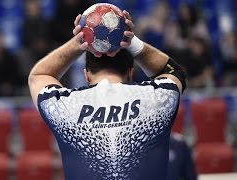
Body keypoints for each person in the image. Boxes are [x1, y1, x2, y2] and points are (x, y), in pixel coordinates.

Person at [28, 9, 186, 180]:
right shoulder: (157, 99)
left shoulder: (66, 108)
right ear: (131, 73)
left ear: (86, 75)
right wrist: (132, 42)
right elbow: (173, 71)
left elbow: (39, 76)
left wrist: (80, 41)